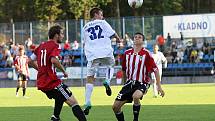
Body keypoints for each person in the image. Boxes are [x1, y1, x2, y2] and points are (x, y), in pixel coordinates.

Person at [28, 25, 87, 121]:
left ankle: (55, 117)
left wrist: (41, 70)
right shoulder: (56, 45)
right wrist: (64, 71)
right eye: (62, 34)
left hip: (42, 82)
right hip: (51, 81)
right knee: (73, 102)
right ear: (56, 35)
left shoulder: (41, 45)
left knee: (60, 98)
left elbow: (29, 60)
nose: (63, 36)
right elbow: (54, 60)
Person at [112, 32, 165, 121]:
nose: (137, 38)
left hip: (142, 82)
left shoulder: (146, 54)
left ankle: (135, 119)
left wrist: (159, 86)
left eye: (139, 37)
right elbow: (124, 69)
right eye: (135, 37)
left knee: (136, 96)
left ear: (143, 41)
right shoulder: (127, 53)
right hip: (129, 83)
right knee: (115, 107)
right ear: (133, 40)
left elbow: (155, 70)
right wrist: (125, 83)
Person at [83, 7, 121, 115]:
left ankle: (87, 102)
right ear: (95, 15)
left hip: (92, 54)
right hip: (105, 51)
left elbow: (85, 42)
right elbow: (112, 33)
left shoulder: (85, 27)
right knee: (111, 66)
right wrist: (119, 40)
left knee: (90, 78)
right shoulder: (103, 23)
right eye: (100, 14)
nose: (102, 16)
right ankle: (107, 81)